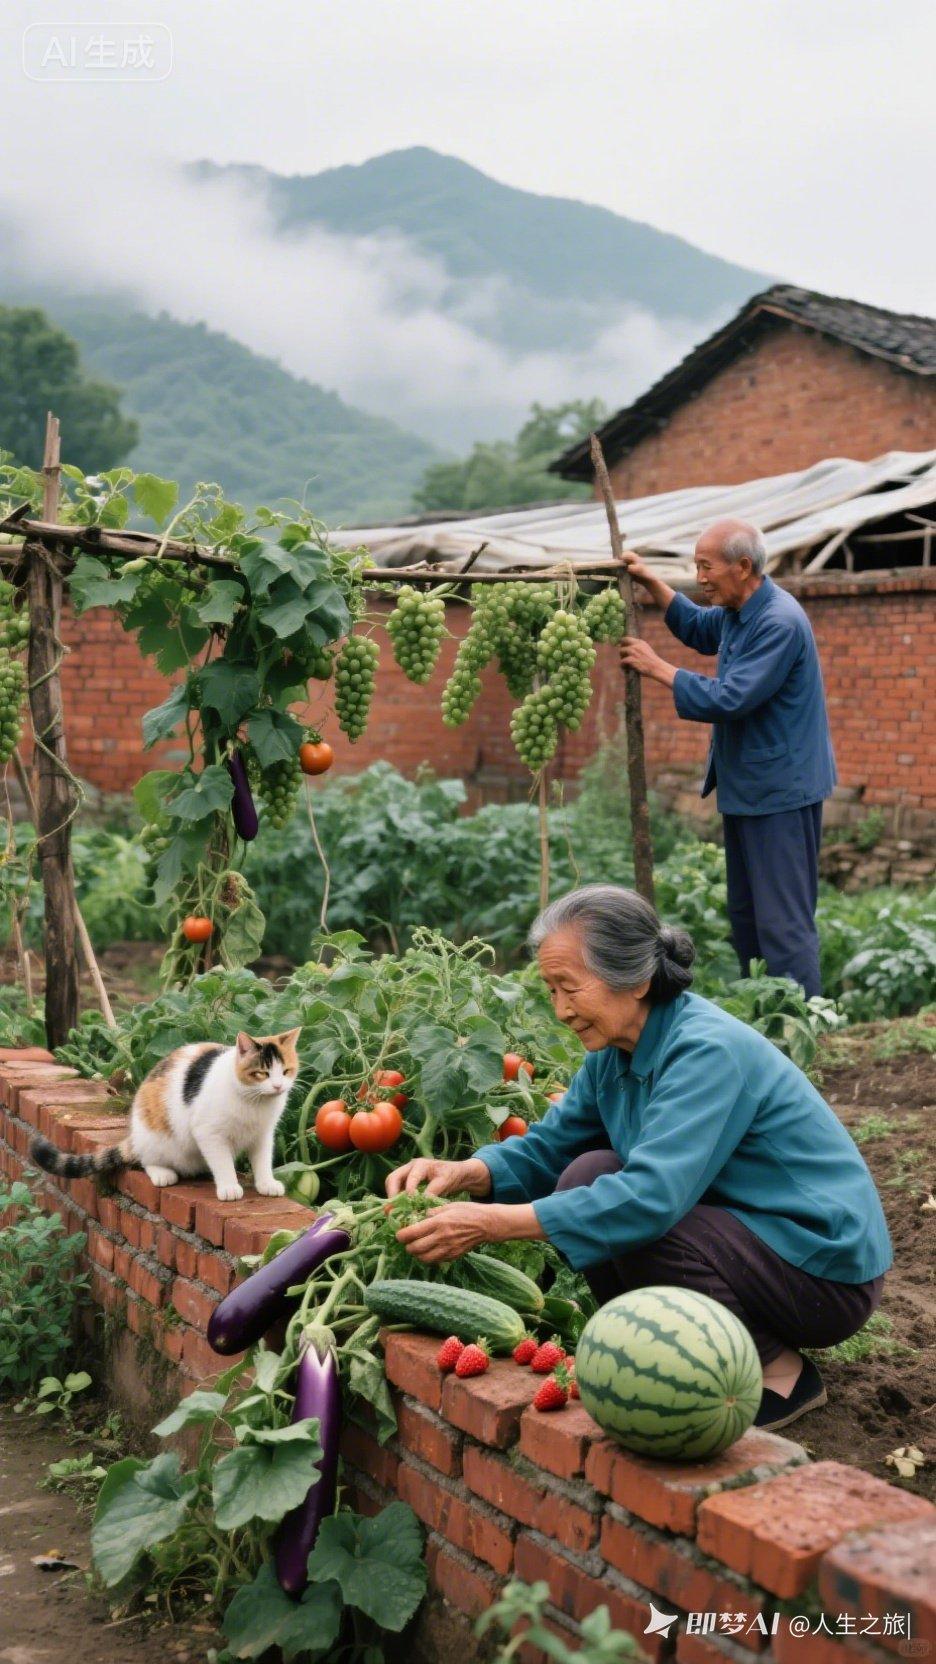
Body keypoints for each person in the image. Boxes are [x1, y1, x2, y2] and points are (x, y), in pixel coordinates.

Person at [386, 885, 891, 1432]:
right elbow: (551, 1145)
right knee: (585, 1174)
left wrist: (490, 1224)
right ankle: (666, 1358)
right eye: (550, 990)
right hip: (751, 1240)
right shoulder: (616, 1050)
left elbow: (651, 1198)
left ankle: (780, 1372)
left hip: (820, 1266)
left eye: (570, 988)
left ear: (637, 979)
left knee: (641, 1218)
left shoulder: (705, 1050)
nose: (560, 1010)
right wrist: (468, 1172)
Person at [618, 519, 836, 997]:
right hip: (749, 787)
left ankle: (802, 1023)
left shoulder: (777, 620)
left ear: (742, 566)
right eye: (696, 566)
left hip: (780, 790)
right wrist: (652, 581)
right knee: (747, 913)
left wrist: (657, 668)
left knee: (782, 920)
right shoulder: (741, 611)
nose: (699, 577)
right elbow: (698, 626)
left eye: (705, 566)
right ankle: (765, 1007)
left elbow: (732, 697)